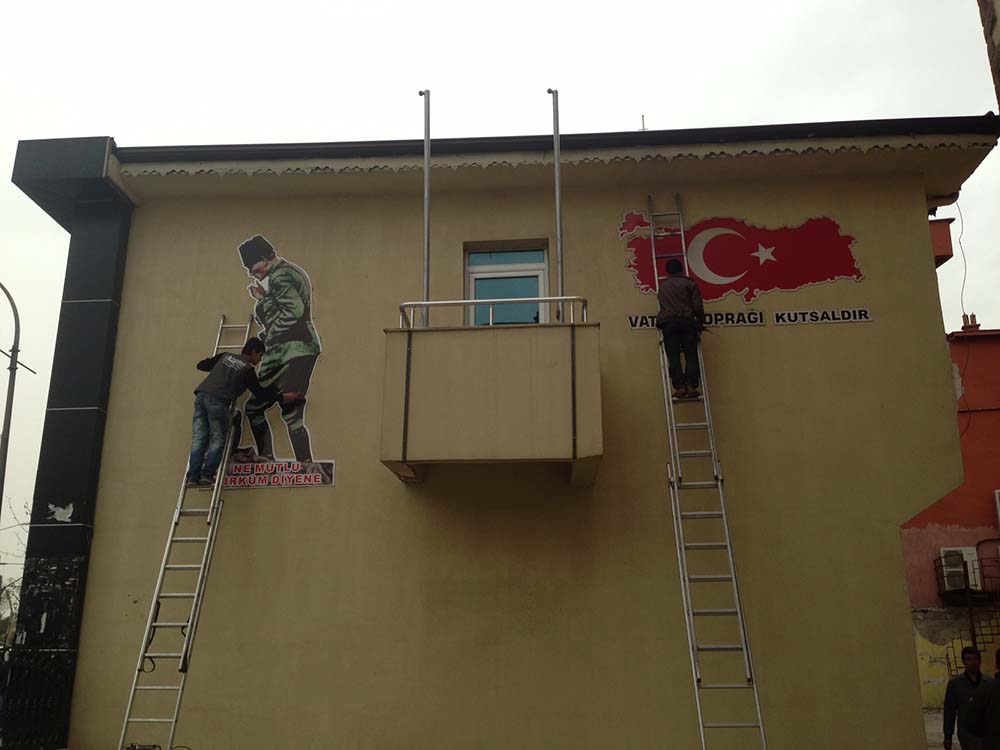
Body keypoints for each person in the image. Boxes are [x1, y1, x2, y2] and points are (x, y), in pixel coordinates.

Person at [237, 235, 322, 462]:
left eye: (250, 266)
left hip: (284, 352)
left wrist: (270, 338)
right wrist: (264, 298)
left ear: (264, 259)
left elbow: (292, 312)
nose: (250, 272)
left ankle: (266, 457)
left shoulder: (280, 276)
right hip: (305, 349)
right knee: (292, 413)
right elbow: (286, 307)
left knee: (254, 408)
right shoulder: (291, 272)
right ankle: (305, 463)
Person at [186, 338, 299, 487]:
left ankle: (192, 477)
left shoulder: (225, 356)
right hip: (218, 402)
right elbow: (260, 393)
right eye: (260, 355)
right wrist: (282, 397)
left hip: (201, 397)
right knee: (217, 439)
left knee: (199, 438)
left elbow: (201, 365)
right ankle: (206, 475)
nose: (260, 360)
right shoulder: (247, 370)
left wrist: (220, 367)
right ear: (253, 352)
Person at [656, 259, 705, 400]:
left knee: (673, 356)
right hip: (687, 323)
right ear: (682, 270)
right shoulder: (690, 284)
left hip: (669, 324)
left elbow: (663, 305)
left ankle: (679, 387)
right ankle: (691, 386)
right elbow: (697, 306)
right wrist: (701, 321)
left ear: (667, 271)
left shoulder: (663, 287)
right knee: (691, 354)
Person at [945, 646, 991, 749]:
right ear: (963, 661)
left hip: (987, 732)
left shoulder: (989, 683)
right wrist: (948, 735)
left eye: (975, 659)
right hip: (966, 733)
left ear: (980, 661)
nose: (972, 663)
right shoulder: (955, 684)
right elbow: (949, 711)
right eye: (969, 659)